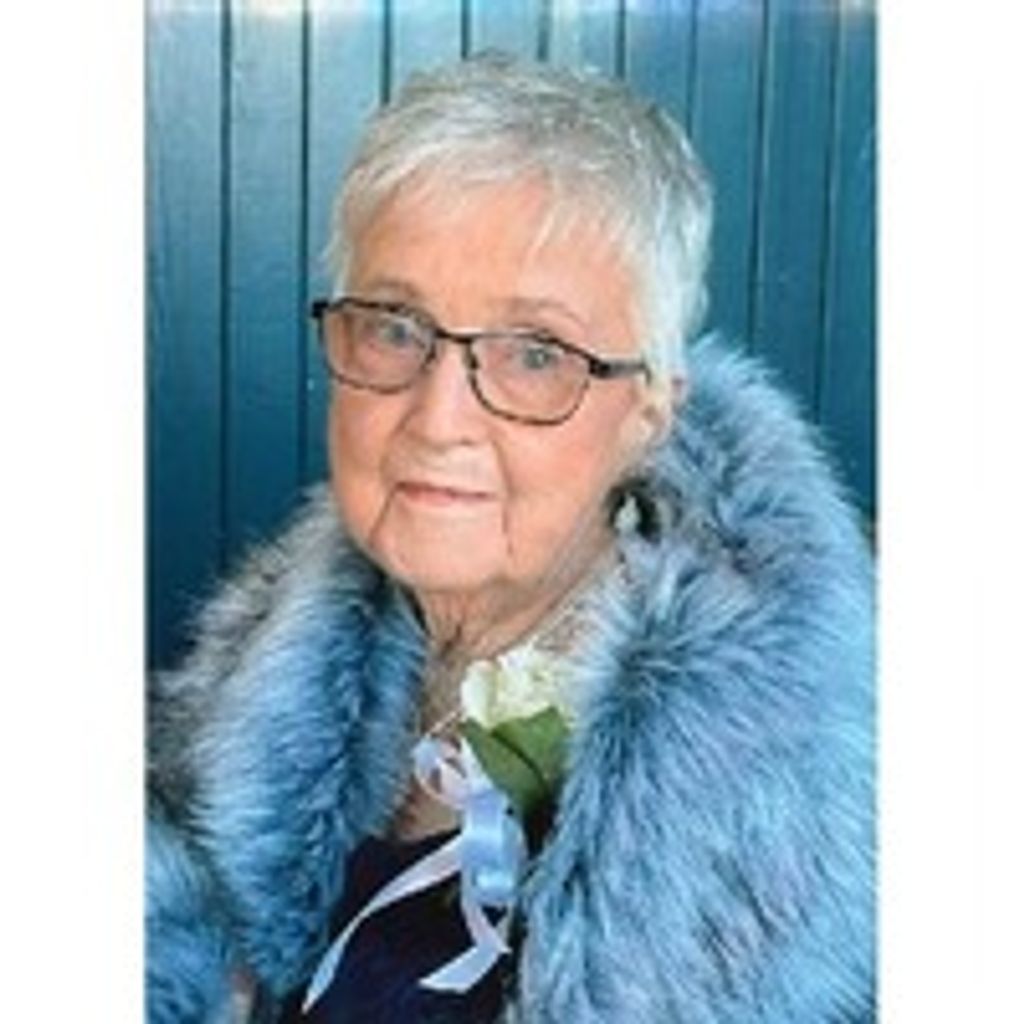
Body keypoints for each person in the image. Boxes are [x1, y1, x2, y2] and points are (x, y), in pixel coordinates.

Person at [147, 54, 874, 1023]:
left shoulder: (791, 814)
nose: (437, 418)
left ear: (650, 410)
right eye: (395, 327)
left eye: (535, 353)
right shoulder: (258, 654)